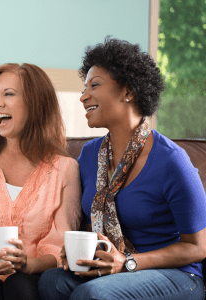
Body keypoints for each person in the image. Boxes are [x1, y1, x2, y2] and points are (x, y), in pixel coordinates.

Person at [38, 37, 206, 300]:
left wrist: (128, 262)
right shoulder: (90, 155)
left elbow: (197, 247)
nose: (83, 97)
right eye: (84, 88)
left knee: (92, 294)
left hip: (177, 275)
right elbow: (88, 222)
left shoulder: (172, 160)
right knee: (52, 282)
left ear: (128, 92)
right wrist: (75, 251)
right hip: (117, 268)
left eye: (94, 85)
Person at [0, 63, 82, 300]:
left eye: (8, 94)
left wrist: (30, 264)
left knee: (18, 284)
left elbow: (61, 244)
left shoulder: (65, 169)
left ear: (36, 103)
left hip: (34, 276)